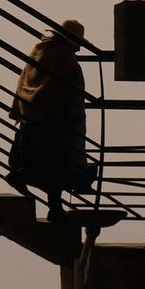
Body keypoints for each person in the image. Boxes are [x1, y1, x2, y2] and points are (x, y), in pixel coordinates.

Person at [7, 20, 92, 219]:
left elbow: (27, 79)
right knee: (59, 164)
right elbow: (66, 88)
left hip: (32, 115)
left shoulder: (40, 49)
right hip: (53, 119)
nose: (79, 48)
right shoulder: (64, 57)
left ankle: (51, 204)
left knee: (45, 164)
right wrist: (72, 113)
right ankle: (52, 205)